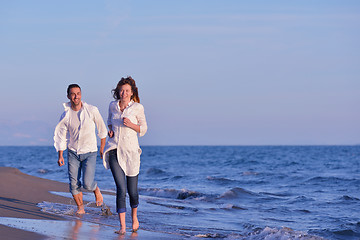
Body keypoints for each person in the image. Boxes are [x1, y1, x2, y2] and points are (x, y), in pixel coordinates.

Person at [103, 77, 147, 235]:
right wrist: (109, 129)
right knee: (121, 189)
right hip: (114, 149)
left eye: (127, 91)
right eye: (121, 90)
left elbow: (143, 129)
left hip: (131, 153)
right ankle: (122, 227)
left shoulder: (137, 108)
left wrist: (131, 125)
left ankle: (134, 217)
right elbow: (109, 120)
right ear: (118, 91)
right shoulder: (113, 105)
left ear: (132, 92)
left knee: (132, 191)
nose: (124, 93)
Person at [54, 84, 107, 214]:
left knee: (87, 184)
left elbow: (102, 129)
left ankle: (96, 189)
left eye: (78, 93)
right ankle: (80, 208)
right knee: (73, 185)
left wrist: (102, 148)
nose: (76, 96)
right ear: (68, 96)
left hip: (90, 152)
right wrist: (60, 155)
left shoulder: (92, 110)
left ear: (81, 94)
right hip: (73, 152)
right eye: (73, 94)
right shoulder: (65, 115)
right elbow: (61, 136)